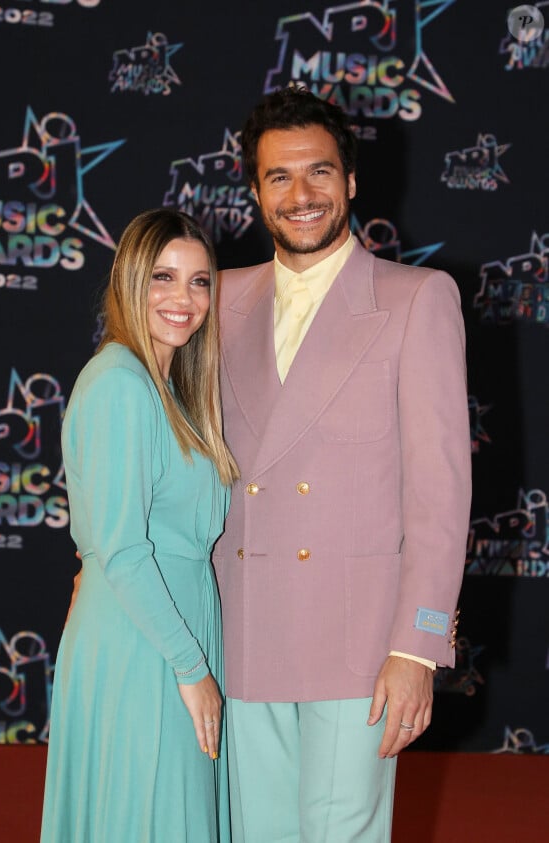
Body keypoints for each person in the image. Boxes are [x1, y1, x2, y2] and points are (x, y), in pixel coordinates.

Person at [211, 87, 471, 842]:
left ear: (352, 181)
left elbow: (440, 492)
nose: (301, 195)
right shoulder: (216, 302)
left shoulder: (417, 298)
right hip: (243, 629)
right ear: (256, 190)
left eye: (319, 173)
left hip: (358, 644)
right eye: (279, 177)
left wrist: (417, 647)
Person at [41, 209, 238, 843]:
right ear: (129, 280)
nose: (184, 299)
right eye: (164, 277)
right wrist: (192, 668)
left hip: (169, 630)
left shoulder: (172, 389)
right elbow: (122, 550)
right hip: (146, 646)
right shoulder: (120, 385)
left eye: (200, 281)